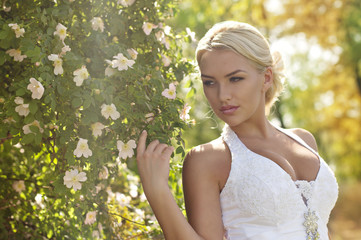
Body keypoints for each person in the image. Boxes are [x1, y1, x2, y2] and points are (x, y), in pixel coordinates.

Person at [136, 21, 339, 240]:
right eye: (210, 82)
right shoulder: (207, 160)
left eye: (235, 79)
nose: (222, 95)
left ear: (266, 78)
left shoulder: (304, 140)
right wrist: (157, 191)